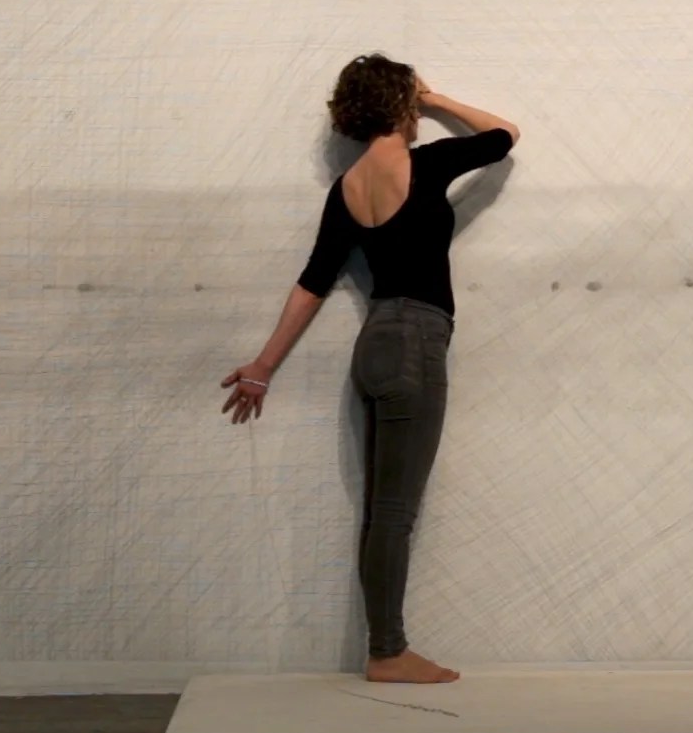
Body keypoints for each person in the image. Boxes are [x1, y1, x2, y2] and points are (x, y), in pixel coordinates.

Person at [220, 53, 520, 684]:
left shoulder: (348, 188)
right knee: (395, 513)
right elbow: (505, 135)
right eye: (412, 103)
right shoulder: (428, 163)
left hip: (376, 341)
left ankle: (386, 647)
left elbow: (314, 280)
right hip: (417, 342)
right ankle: (388, 652)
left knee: (382, 511)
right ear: (402, 105)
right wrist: (437, 100)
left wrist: (264, 365)